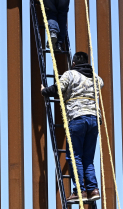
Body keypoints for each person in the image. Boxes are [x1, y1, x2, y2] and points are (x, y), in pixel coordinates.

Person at [41, 51, 104, 202]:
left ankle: (80, 191)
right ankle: (93, 189)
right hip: (94, 119)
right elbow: (101, 83)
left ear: (74, 63)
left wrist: (44, 91)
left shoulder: (70, 74)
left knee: (74, 156)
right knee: (88, 157)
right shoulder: (95, 78)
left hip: (77, 117)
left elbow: (58, 88)